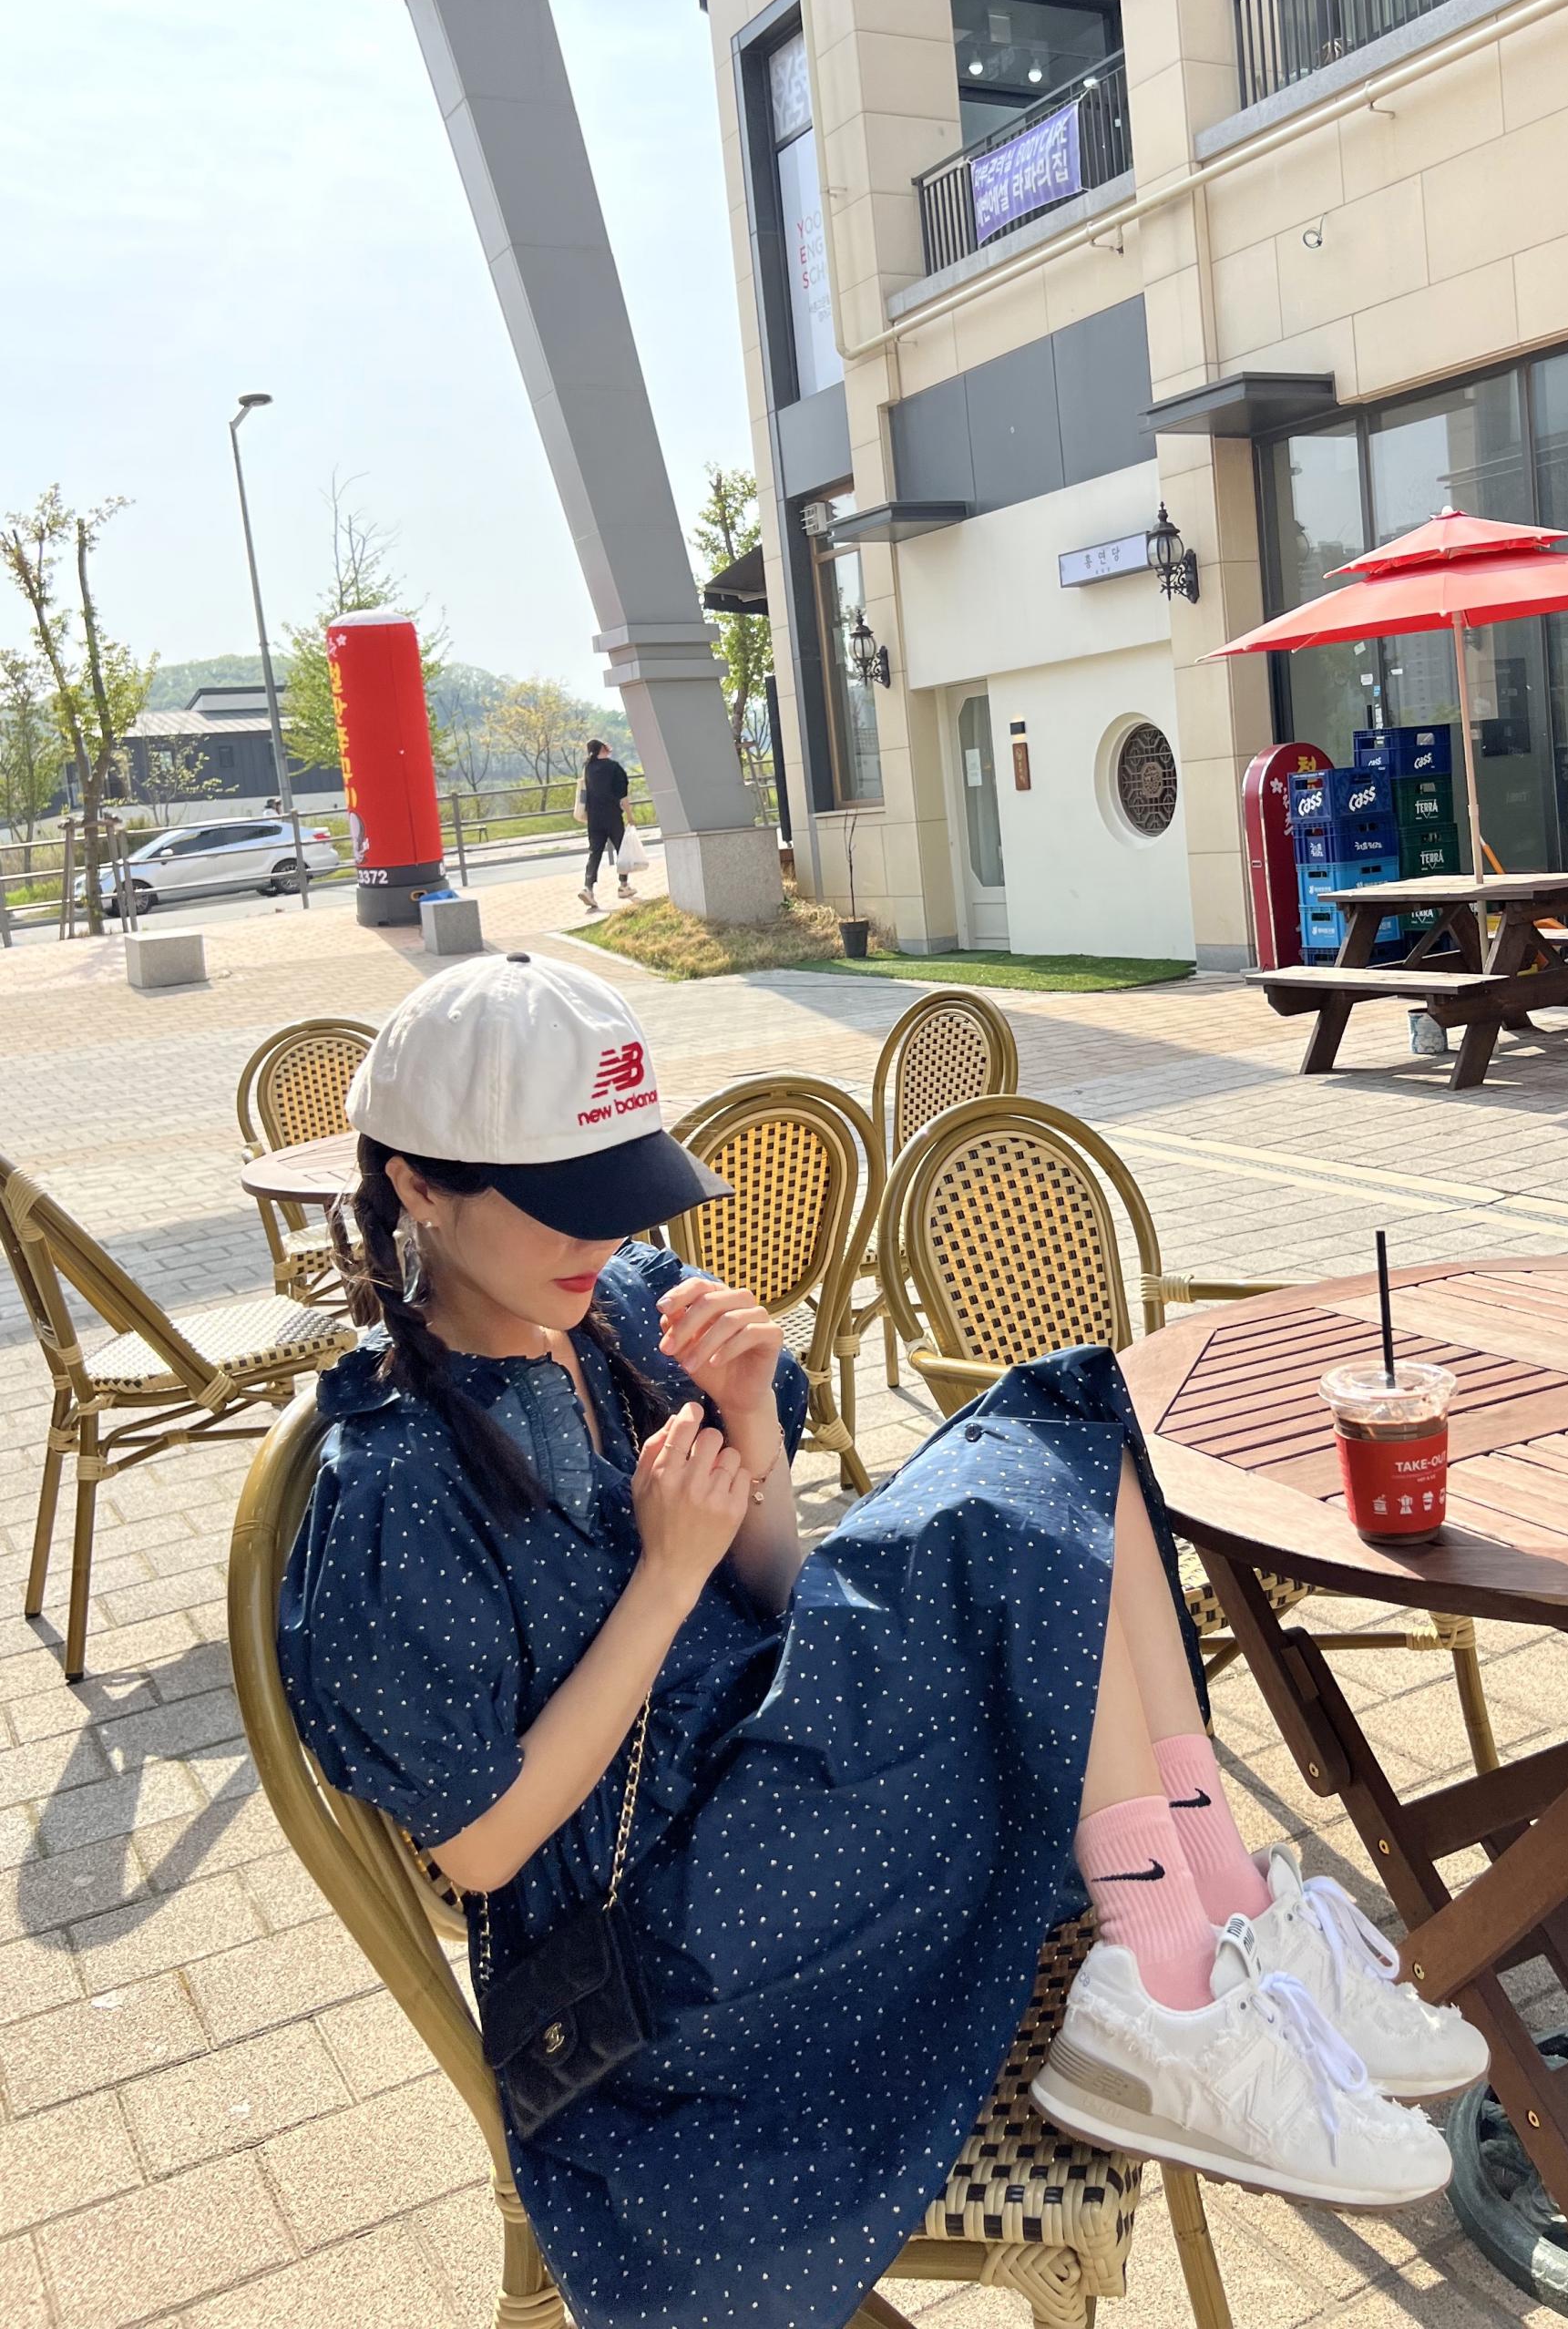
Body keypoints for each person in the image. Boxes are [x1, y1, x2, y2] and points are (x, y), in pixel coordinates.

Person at [279, 954, 1487, 2329]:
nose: (601, 1238)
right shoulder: (396, 1481)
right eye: (566, 1201)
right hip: (675, 1940)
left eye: (621, 1194)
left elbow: (775, 1592)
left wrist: (747, 1419)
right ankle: (1166, 1987)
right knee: (1013, 1514)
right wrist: (664, 1579)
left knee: (1063, 1428)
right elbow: (484, 1848)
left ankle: (1213, 1930)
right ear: (419, 1186)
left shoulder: (620, 1312)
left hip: (773, 1783)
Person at [576, 737, 632, 911]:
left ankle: (588, 888)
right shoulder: (614, 767)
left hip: (594, 818)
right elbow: (623, 796)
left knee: (595, 853)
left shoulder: (588, 768)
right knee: (622, 850)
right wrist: (630, 816)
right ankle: (623, 885)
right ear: (603, 749)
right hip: (612, 816)